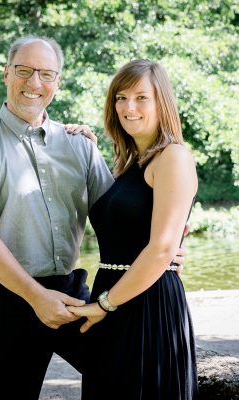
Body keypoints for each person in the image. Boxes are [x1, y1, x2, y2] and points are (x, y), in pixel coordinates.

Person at [0, 35, 186, 399]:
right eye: (24, 71)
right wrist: (35, 296)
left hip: (69, 295)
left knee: (117, 379)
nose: (34, 83)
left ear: (57, 82)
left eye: (46, 74)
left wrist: (169, 253)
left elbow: (125, 212)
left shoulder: (79, 145)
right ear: (6, 74)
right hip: (2, 298)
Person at [68, 59, 199, 399]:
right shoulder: (128, 164)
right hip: (114, 298)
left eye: (141, 97)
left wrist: (104, 305)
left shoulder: (174, 157)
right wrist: (87, 148)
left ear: (162, 103)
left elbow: (161, 249)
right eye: (120, 97)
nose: (129, 107)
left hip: (147, 305)